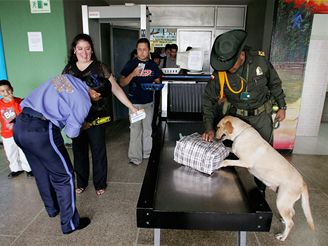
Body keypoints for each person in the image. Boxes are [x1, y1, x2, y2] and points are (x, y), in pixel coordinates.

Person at [13, 74, 108, 234]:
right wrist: (81, 125)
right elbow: (72, 133)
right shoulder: (84, 102)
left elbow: (59, 98)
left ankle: (52, 209)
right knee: (65, 176)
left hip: (20, 125)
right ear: (96, 94)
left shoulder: (65, 77)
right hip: (41, 131)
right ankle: (70, 224)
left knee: (41, 172)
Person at [202, 29, 287, 195]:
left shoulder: (260, 62)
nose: (228, 68)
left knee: (263, 160)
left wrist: (282, 106)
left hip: (261, 117)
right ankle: (230, 195)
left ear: (241, 55)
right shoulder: (220, 72)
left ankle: (259, 195)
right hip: (236, 119)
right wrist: (209, 127)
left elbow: (275, 84)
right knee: (231, 155)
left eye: (231, 64)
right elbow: (208, 100)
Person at [62, 33, 138, 196]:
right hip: (76, 118)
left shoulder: (99, 67)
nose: (84, 52)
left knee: (98, 150)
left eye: (87, 48)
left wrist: (131, 107)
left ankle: (99, 183)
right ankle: (81, 182)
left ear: (92, 50)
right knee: (78, 151)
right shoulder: (68, 69)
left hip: (96, 116)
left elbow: (116, 88)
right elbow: (61, 93)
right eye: (80, 49)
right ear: (74, 50)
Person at [120, 38, 161, 165]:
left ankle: (147, 154)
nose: (142, 52)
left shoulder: (153, 65)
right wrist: (133, 74)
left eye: (144, 49)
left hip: (148, 103)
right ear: (136, 50)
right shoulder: (130, 64)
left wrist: (156, 83)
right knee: (136, 130)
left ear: (149, 50)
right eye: (139, 49)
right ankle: (135, 158)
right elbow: (121, 83)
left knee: (147, 130)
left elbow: (158, 81)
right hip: (134, 104)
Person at [0, 80, 32, 178]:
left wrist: (13, 102)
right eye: (2, 91)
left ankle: (28, 169)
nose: (6, 93)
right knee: (11, 153)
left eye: (8, 90)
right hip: (7, 134)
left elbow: (21, 114)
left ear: (12, 89)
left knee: (24, 151)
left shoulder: (19, 101)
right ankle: (16, 169)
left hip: (21, 132)